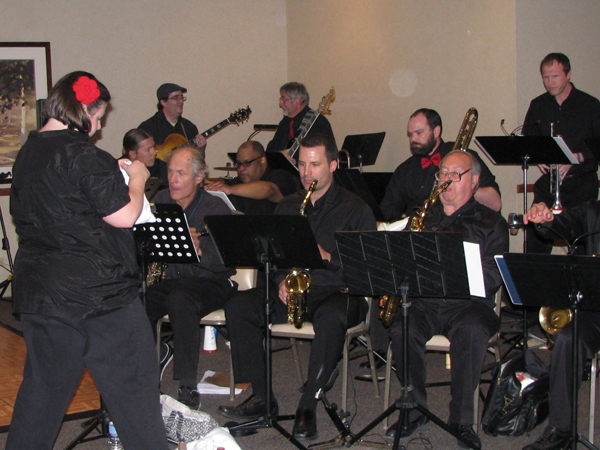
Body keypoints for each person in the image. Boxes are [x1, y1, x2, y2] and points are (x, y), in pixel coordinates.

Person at [7, 71, 169, 450]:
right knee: (135, 396)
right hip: (99, 297)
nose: (97, 127)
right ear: (81, 110)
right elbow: (124, 215)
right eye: (97, 117)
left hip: (42, 294)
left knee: (41, 397)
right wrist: (138, 178)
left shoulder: (28, 153)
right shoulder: (84, 155)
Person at [217, 134, 376, 442]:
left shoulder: (355, 209)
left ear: (333, 165)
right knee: (239, 306)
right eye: (302, 164)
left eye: (314, 165)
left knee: (331, 319)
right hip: (293, 289)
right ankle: (262, 398)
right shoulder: (288, 205)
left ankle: (308, 405)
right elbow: (273, 257)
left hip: (338, 291)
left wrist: (328, 257)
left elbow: (364, 270)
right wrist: (279, 281)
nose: (306, 173)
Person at [385, 150, 508, 449]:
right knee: (402, 327)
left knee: (471, 332)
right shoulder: (422, 217)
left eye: (456, 174)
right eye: (443, 173)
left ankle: (462, 420)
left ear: (474, 181)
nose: (447, 180)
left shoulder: (492, 223)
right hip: (424, 301)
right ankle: (415, 410)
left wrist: (456, 268)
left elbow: (494, 277)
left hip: (469, 305)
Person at [145, 144, 237, 409]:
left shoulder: (215, 208)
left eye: (181, 173)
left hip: (211, 281)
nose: (173, 179)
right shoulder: (160, 200)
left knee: (180, 299)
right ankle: (144, 375)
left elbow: (227, 261)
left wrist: (200, 250)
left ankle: (187, 384)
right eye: (170, 172)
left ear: (198, 178)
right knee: (136, 299)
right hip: (171, 279)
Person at [522, 201, 600, 450]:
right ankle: (560, 430)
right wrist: (546, 220)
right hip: (596, 310)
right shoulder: (594, 211)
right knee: (567, 338)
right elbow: (563, 224)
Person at [523, 53, 600, 254]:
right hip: (550, 183)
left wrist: (577, 158)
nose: (550, 82)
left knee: (582, 244)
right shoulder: (538, 104)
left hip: (581, 184)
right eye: (545, 77)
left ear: (568, 74)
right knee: (535, 238)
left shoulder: (590, 105)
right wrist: (537, 156)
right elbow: (529, 140)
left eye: (555, 76)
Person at [380, 108, 502, 223]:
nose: (413, 139)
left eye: (419, 133)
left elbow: (495, 204)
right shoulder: (405, 169)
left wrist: (463, 186)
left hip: (461, 227)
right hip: (420, 231)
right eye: (410, 134)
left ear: (436, 131)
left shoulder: (464, 157)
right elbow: (387, 212)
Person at [204, 140, 297, 214]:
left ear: (262, 160)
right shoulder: (236, 183)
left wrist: (231, 190)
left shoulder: (281, 176)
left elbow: (270, 190)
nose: (241, 168)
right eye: (238, 164)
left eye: (247, 163)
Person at [138, 82, 207, 157]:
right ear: (163, 102)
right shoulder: (147, 128)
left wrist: (201, 149)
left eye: (181, 97)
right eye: (175, 98)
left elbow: (196, 161)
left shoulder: (189, 127)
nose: (180, 101)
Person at [266, 82, 335, 155]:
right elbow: (271, 150)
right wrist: (281, 154)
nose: (280, 104)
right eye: (280, 99)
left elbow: (325, 152)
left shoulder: (318, 122)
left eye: (284, 99)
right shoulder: (285, 122)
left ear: (297, 101)